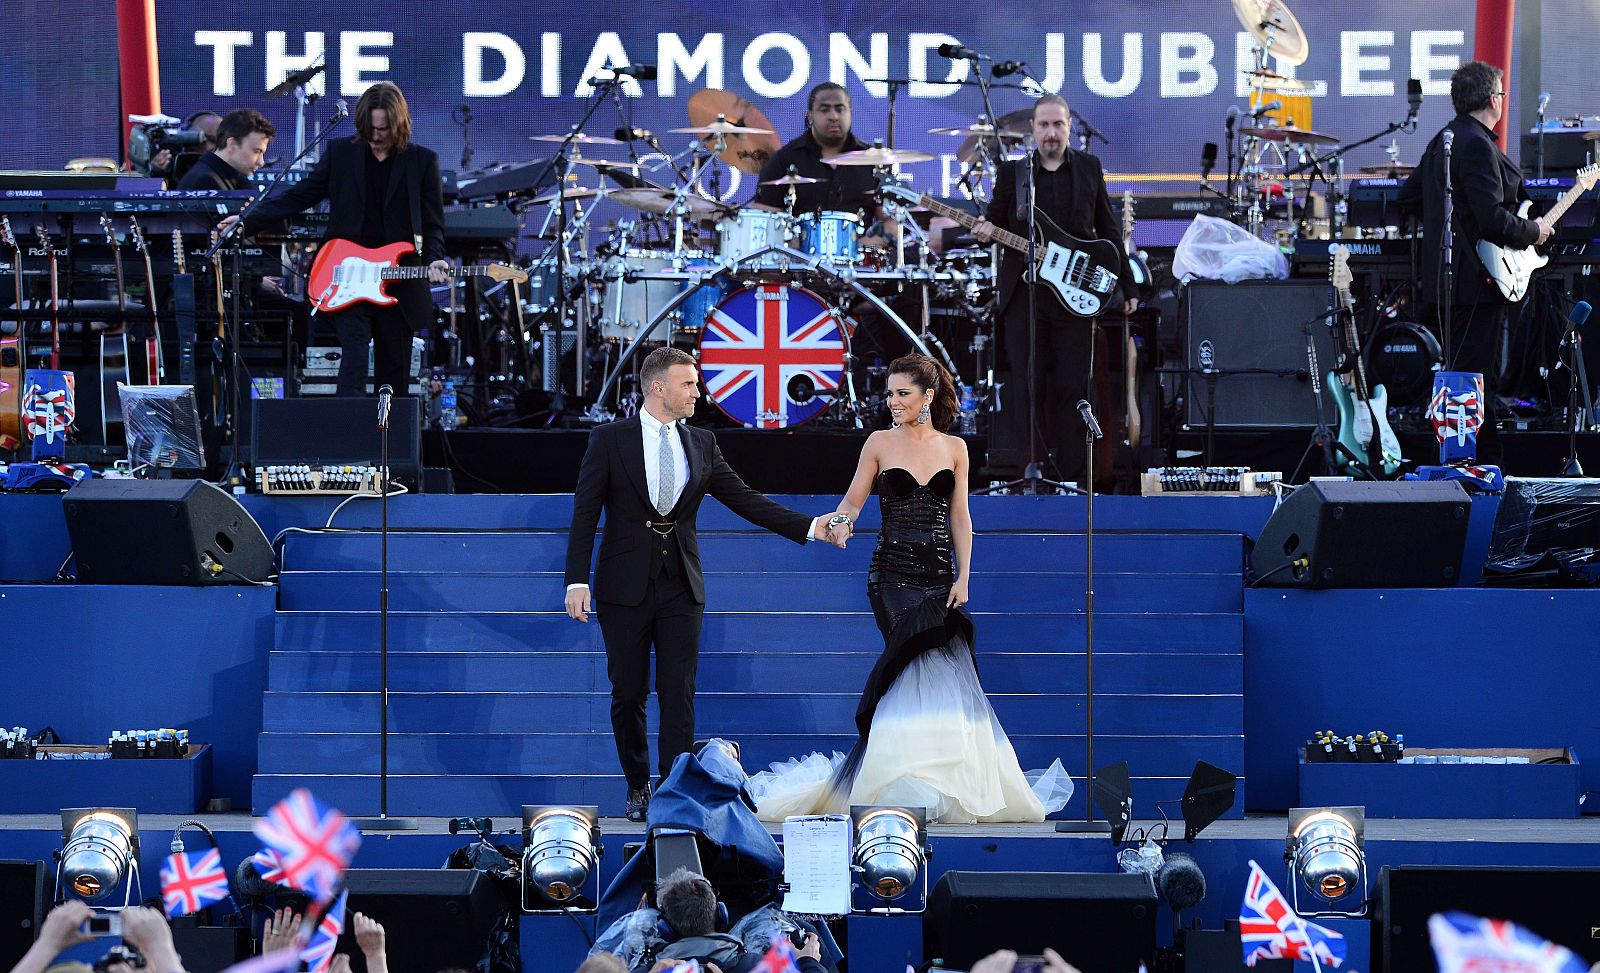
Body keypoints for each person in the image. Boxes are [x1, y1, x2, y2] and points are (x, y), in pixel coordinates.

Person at [746, 354, 1071, 824]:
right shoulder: (878, 442)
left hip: (940, 575)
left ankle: (940, 783)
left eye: (903, 393)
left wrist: (964, 576)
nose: (893, 401)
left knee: (945, 672)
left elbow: (960, 516)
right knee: (914, 667)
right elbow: (852, 502)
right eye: (890, 393)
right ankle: (903, 782)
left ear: (928, 397)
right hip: (892, 577)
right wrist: (839, 523)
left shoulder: (955, 448)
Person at [564, 346, 845, 822]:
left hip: (681, 585)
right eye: (688, 384)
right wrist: (576, 580)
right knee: (628, 691)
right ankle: (638, 788)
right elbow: (585, 513)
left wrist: (810, 526)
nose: (699, 392)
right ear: (658, 387)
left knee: (679, 690)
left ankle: (675, 789)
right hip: (623, 585)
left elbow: (745, 499)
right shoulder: (610, 440)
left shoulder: (703, 443)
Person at [228, 81, 449, 397]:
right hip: (346, 274)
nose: (376, 136)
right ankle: (349, 437)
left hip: (398, 278)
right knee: (355, 356)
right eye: (370, 128)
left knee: (395, 368)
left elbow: (433, 224)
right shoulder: (342, 153)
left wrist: (434, 258)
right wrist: (247, 222)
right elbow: (300, 195)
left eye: (384, 129)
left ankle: (391, 441)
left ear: (398, 124)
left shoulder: (422, 161)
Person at [972, 93, 1138, 486]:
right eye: (1043, 125)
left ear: (1069, 129)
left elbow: (1108, 230)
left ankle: (1072, 477)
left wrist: (1127, 284)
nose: (1051, 133)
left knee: (1072, 387)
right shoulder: (1016, 174)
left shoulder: (1088, 168)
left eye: (1058, 124)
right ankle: (1030, 473)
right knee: (1028, 386)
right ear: (1032, 130)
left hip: (1075, 295)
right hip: (1024, 296)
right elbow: (994, 221)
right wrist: (982, 231)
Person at [1398, 60, 1552, 463]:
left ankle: (1463, 456)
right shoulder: (1478, 145)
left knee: (1461, 373)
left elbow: (1407, 198)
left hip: (1444, 282)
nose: (1502, 100)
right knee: (1473, 376)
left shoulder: (1442, 140)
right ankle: (1470, 463)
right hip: (1477, 281)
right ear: (1492, 99)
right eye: (1502, 94)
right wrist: (1533, 232)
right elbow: (1491, 218)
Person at [752, 83, 876, 217]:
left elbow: (890, 220)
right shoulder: (783, 160)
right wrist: (792, 238)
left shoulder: (872, 160)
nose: (833, 116)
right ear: (810, 116)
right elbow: (765, 218)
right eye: (824, 110)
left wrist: (874, 238)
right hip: (800, 238)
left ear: (850, 113)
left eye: (840, 109)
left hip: (859, 237)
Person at [176, 109, 275, 191]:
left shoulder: (225, 179)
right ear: (232, 144)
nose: (261, 162)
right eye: (256, 151)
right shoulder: (205, 182)